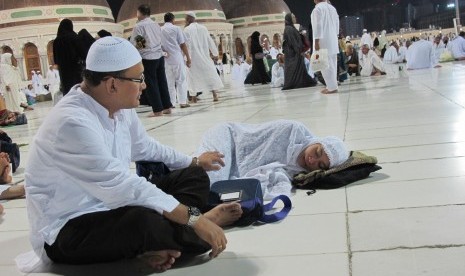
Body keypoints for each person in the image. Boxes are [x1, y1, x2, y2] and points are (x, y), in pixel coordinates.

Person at [17, 37, 242, 273]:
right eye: (139, 78)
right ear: (112, 84)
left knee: (193, 177)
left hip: (114, 207)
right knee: (144, 223)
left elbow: (146, 147)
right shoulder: (72, 122)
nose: (144, 85)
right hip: (68, 228)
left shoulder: (118, 107)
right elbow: (123, 186)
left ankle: (170, 237)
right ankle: (199, 228)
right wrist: (194, 219)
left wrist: (194, 162)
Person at [197, 120, 349, 200]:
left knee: (217, 191)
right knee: (212, 177)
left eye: (320, 164)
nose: (312, 160)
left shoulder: (300, 173)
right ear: (317, 141)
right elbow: (254, 146)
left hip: (234, 161)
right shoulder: (291, 130)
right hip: (230, 138)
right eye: (317, 151)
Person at [131, 4, 173, 117]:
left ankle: (157, 109)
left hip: (148, 57)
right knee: (162, 81)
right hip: (159, 56)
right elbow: (160, 39)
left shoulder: (139, 26)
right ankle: (167, 106)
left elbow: (140, 44)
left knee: (151, 84)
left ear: (140, 13)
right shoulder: (156, 24)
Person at [184, 11, 223, 102]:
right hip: (205, 57)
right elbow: (210, 41)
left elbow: (187, 45)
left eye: (186, 18)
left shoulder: (187, 30)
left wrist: (187, 58)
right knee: (210, 74)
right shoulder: (203, 28)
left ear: (190, 18)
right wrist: (215, 53)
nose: (185, 20)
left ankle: (194, 98)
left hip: (193, 58)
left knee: (192, 77)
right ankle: (214, 95)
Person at [161, 12, 191, 108]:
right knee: (181, 80)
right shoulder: (176, 29)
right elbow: (182, 44)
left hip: (166, 60)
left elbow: (158, 46)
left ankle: (171, 103)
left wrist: (163, 53)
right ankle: (182, 102)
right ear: (173, 20)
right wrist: (188, 58)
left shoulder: (159, 30)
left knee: (169, 82)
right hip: (177, 58)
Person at [311, 0, 340, 94]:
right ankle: (332, 85)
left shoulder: (317, 9)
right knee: (333, 63)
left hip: (323, 40)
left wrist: (316, 41)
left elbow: (318, 26)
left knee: (325, 65)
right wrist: (335, 35)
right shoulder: (332, 8)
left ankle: (331, 87)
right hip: (333, 39)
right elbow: (337, 24)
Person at [282, 14, 317, 90]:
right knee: (293, 69)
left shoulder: (291, 28)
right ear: (289, 19)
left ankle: (301, 82)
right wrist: (299, 50)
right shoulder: (288, 29)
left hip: (296, 53)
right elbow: (293, 42)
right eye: (293, 17)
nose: (295, 18)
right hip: (293, 55)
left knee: (299, 70)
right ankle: (293, 83)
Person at [53, 19, 86, 96]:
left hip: (63, 71)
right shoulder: (74, 37)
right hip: (75, 69)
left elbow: (56, 59)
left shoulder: (57, 41)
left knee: (67, 90)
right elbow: (83, 53)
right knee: (77, 89)